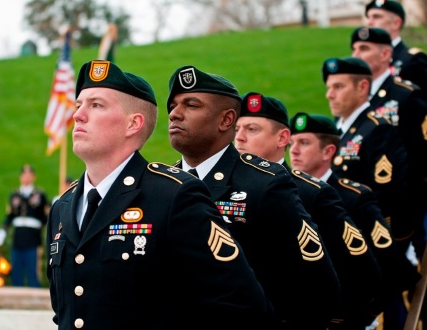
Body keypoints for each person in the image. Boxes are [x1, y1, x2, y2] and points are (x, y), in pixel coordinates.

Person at [46, 60, 272, 330]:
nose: (78, 115)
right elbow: (66, 312)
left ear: (133, 123)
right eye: (79, 104)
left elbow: (241, 304)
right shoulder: (64, 206)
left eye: (96, 105)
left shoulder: (174, 196)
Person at [167, 65, 341, 329]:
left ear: (226, 120)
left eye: (191, 105)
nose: (175, 114)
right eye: (173, 106)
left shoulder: (265, 184)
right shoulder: (162, 185)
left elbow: (317, 283)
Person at [235, 92, 384, 329]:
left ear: (283, 138)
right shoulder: (226, 190)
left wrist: (334, 322)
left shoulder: (312, 194)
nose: (240, 138)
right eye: (236, 130)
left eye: (252, 129)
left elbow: (362, 272)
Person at [288, 111, 422, 330]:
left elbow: (387, 262)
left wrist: (364, 315)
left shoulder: (354, 198)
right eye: (292, 142)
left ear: (328, 151)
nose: (293, 150)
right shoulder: (286, 194)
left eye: (304, 142)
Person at [322, 56, 415, 330]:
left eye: (338, 86)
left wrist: (397, 245)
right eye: (329, 87)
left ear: (363, 87)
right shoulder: (339, 130)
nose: (330, 94)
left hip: (373, 244)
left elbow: (391, 194)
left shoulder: (377, 129)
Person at [350, 26, 427, 260]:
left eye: (364, 48)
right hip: (365, 208)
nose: (356, 55)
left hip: (404, 209)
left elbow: (423, 154)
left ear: (386, 54)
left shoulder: (406, 95)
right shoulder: (354, 100)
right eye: (354, 49)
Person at [0, 164, 49, 287]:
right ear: (20, 177)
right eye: (24, 175)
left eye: (29, 175)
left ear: (34, 177)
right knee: (16, 272)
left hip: (33, 239)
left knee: (33, 272)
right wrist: (3, 230)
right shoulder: (14, 195)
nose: (26, 178)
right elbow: (10, 216)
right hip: (17, 239)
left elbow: (46, 216)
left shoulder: (40, 195)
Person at [365, 0, 427, 101]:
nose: (369, 22)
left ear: (396, 23)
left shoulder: (413, 60)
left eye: (377, 17)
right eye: (368, 17)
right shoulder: (367, 60)